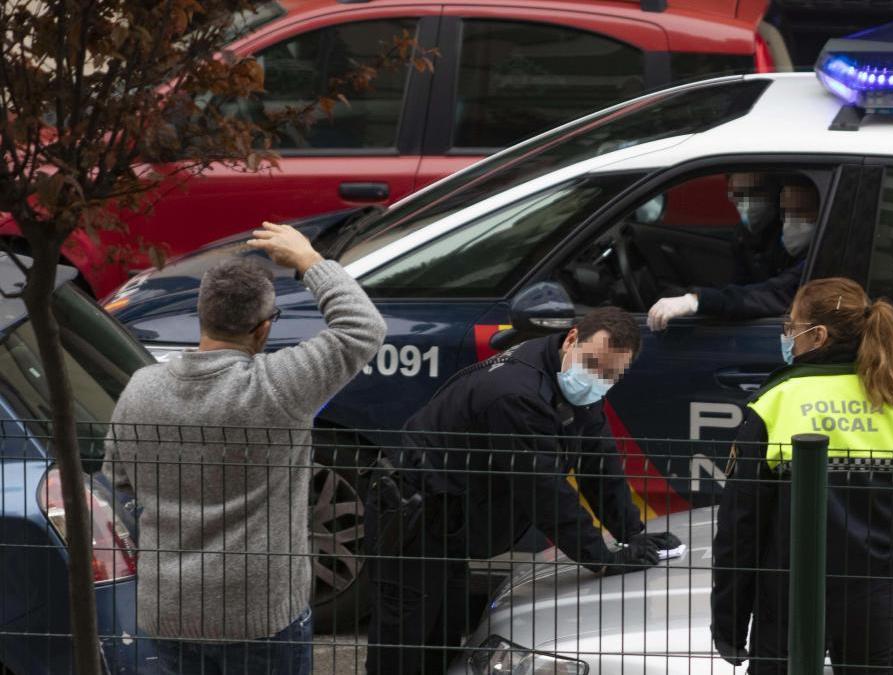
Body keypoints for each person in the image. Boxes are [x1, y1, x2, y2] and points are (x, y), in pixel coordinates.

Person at [102, 222, 386, 674]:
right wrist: (310, 261)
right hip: (261, 612)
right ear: (263, 329)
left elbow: (117, 478)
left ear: (202, 316)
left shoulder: (142, 389)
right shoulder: (277, 387)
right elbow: (363, 328)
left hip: (170, 608)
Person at [365, 307, 680, 674]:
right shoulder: (517, 393)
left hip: (447, 518)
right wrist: (601, 558)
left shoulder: (572, 382)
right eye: (593, 364)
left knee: (442, 640)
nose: (598, 379)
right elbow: (544, 489)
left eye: (611, 374)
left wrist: (632, 533)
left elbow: (599, 461)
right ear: (572, 338)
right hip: (413, 518)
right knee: (403, 645)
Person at [710, 277, 893, 674]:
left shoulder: (777, 400)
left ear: (818, 335)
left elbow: (740, 526)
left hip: (787, 601)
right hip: (874, 602)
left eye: (791, 327)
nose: (787, 335)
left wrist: (730, 619)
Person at [647, 172, 820, 330]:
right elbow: (741, 286)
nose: (790, 222)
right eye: (786, 212)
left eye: (801, 212)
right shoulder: (748, 237)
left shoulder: (818, 258)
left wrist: (696, 301)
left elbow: (773, 292)